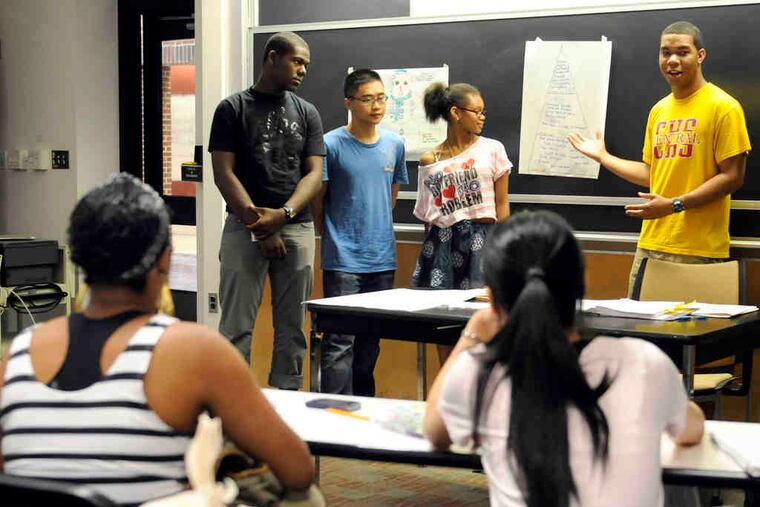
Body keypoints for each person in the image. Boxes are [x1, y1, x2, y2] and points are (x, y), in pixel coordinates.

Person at [0, 174, 316, 506]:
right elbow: (298, 471)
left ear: (78, 260)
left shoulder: (16, 356)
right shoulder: (194, 349)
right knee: (305, 496)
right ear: (164, 260)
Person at [423, 210, 705, 507]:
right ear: (581, 285)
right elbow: (692, 430)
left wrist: (472, 334)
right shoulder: (643, 362)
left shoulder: (479, 369)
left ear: (491, 300)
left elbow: (435, 432)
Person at [568, 21, 751, 295]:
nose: (673, 60)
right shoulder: (659, 111)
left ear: (700, 56)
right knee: (642, 332)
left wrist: (675, 204)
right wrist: (604, 158)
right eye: (665, 53)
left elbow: (733, 176)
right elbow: (652, 173)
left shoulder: (724, 107)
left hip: (698, 250)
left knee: (693, 334)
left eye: (682, 52)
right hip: (651, 245)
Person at [208, 31, 325, 388]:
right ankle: (233, 402)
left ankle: (286, 400)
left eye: (306, 63)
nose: (302, 70)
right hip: (245, 227)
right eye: (297, 60)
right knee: (236, 325)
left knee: (293, 325)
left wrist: (284, 215)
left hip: (296, 227)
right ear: (272, 57)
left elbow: (314, 174)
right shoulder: (233, 108)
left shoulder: (307, 112)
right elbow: (223, 173)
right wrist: (261, 227)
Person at [312, 69, 408, 396]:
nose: (376, 105)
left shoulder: (395, 144)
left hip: (382, 259)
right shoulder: (330, 144)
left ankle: (364, 409)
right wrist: (333, 239)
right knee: (340, 342)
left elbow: (391, 197)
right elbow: (318, 200)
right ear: (349, 103)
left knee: (370, 343)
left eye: (381, 98)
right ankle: (335, 415)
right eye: (367, 99)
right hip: (342, 259)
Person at [412, 82, 511, 363]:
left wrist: (504, 253)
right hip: (442, 242)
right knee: (443, 324)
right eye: (476, 111)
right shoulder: (430, 158)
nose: (482, 116)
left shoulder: (492, 149)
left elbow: (502, 203)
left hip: (483, 240)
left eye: (483, 112)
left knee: (485, 319)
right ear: (456, 113)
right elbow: (427, 213)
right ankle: (447, 386)